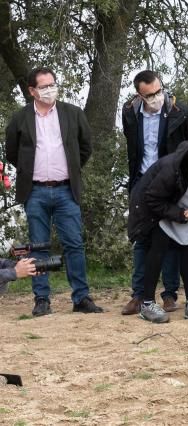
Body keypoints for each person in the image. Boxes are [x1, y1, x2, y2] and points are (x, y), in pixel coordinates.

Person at [5, 67, 103, 316]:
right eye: (44, 86)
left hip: (66, 190)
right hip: (35, 191)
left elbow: (85, 148)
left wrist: (69, 168)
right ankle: (42, 300)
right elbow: (13, 153)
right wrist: (31, 171)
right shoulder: (20, 118)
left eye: (52, 84)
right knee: (38, 248)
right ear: (32, 91)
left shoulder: (73, 113)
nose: (50, 90)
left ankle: (81, 298)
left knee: (74, 244)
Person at [121, 70, 188, 315]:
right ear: (139, 95)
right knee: (143, 239)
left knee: (171, 237)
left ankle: (169, 294)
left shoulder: (182, 113)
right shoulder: (130, 113)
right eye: (149, 94)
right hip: (142, 181)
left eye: (158, 91)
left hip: (173, 183)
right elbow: (132, 149)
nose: (156, 97)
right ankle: (139, 295)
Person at [127, 136, 188, 323]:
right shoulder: (171, 169)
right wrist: (181, 213)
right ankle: (147, 303)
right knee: (157, 251)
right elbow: (152, 199)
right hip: (159, 211)